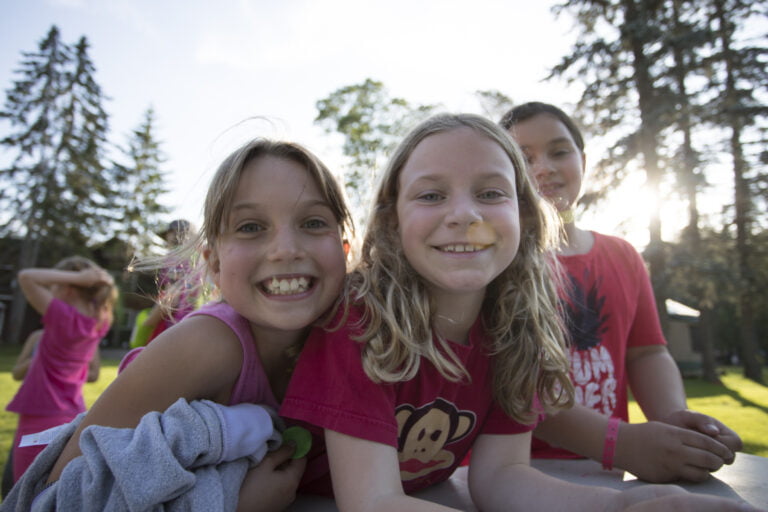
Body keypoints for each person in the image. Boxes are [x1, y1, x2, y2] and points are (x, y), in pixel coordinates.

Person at [279, 113, 753, 511]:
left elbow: (501, 478)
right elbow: (374, 502)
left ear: (525, 217)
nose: (464, 214)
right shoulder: (360, 320)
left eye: (490, 193)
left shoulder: (513, 330)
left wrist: (631, 504)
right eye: (430, 195)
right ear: (390, 219)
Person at [39, 138, 353, 511]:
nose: (285, 249)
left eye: (313, 222)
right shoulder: (205, 344)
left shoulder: (349, 343)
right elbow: (60, 496)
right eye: (251, 227)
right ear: (214, 264)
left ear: (345, 250)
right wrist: (232, 504)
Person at [499, 102, 742, 483]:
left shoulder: (623, 255)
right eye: (523, 158)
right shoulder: (496, 260)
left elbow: (647, 352)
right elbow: (504, 384)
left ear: (583, 159)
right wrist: (621, 442)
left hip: (610, 470)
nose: (543, 167)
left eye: (559, 151)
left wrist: (674, 424)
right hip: (514, 472)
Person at [4, 257, 117, 483]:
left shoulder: (63, 317)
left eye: (54, 286)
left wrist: (77, 277)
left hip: (40, 413)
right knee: (48, 492)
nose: (50, 289)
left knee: (24, 492)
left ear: (67, 290)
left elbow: (26, 277)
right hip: (71, 415)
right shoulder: (99, 320)